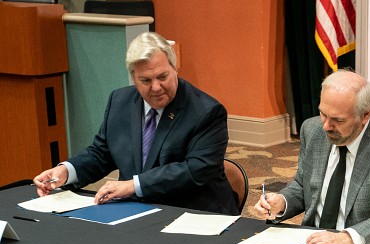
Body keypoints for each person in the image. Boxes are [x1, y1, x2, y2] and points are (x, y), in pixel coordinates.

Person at [33, 32, 237, 215]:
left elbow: (196, 170)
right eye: (146, 80)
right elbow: (102, 153)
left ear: (176, 68)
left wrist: (134, 185)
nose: (156, 87)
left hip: (192, 212)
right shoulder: (119, 101)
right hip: (136, 211)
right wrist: (67, 171)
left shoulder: (207, 111)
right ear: (133, 78)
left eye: (162, 76)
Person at [254, 70, 370, 244]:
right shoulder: (312, 130)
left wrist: (349, 238)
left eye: (338, 120)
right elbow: (303, 185)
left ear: (365, 116)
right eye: (323, 114)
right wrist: (282, 202)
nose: (326, 126)